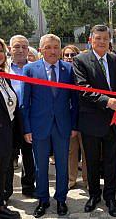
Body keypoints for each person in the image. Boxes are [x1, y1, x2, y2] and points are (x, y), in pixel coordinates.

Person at [73, 25, 116, 217]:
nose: (101, 41)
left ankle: (110, 197)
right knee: (92, 161)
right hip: (91, 120)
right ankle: (94, 195)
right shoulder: (80, 60)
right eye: (98, 38)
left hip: (114, 120)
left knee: (112, 162)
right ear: (90, 39)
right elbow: (83, 88)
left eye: (105, 38)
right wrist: (107, 101)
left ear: (109, 40)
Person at [22, 34, 78, 218]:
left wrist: (74, 125)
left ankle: (61, 199)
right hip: (39, 126)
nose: (53, 51)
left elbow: (74, 100)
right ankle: (43, 199)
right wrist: (27, 128)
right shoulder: (30, 70)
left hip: (62, 126)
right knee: (41, 166)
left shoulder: (69, 69)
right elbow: (25, 102)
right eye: (48, 47)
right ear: (41, 49)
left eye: (56, 47)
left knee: (62, 165)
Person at [5, 35, 36, 201]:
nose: (21, 50)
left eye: (24, 47)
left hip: (29, 117)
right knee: (7, 155)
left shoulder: (34, 68)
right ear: (10, 49)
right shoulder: (4, 69)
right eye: (17, 46)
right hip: (8, 117)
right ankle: (6, 190)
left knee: (29, 154)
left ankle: (29, 187)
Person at [0, 38, 21, 219]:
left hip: (7, 130)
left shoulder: (3, 75)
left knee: (3, 169)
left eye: (0, 50)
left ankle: (0, 204)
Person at [61, 44, 88, 189]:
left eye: (73, 55)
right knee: (71, 151)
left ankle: (87, 180)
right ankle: (71, 179)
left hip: (83, 116)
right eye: (67, 55)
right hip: (68, 118)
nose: (70, 58)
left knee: (86, 150)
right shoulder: (61, 73)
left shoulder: (81, 71)